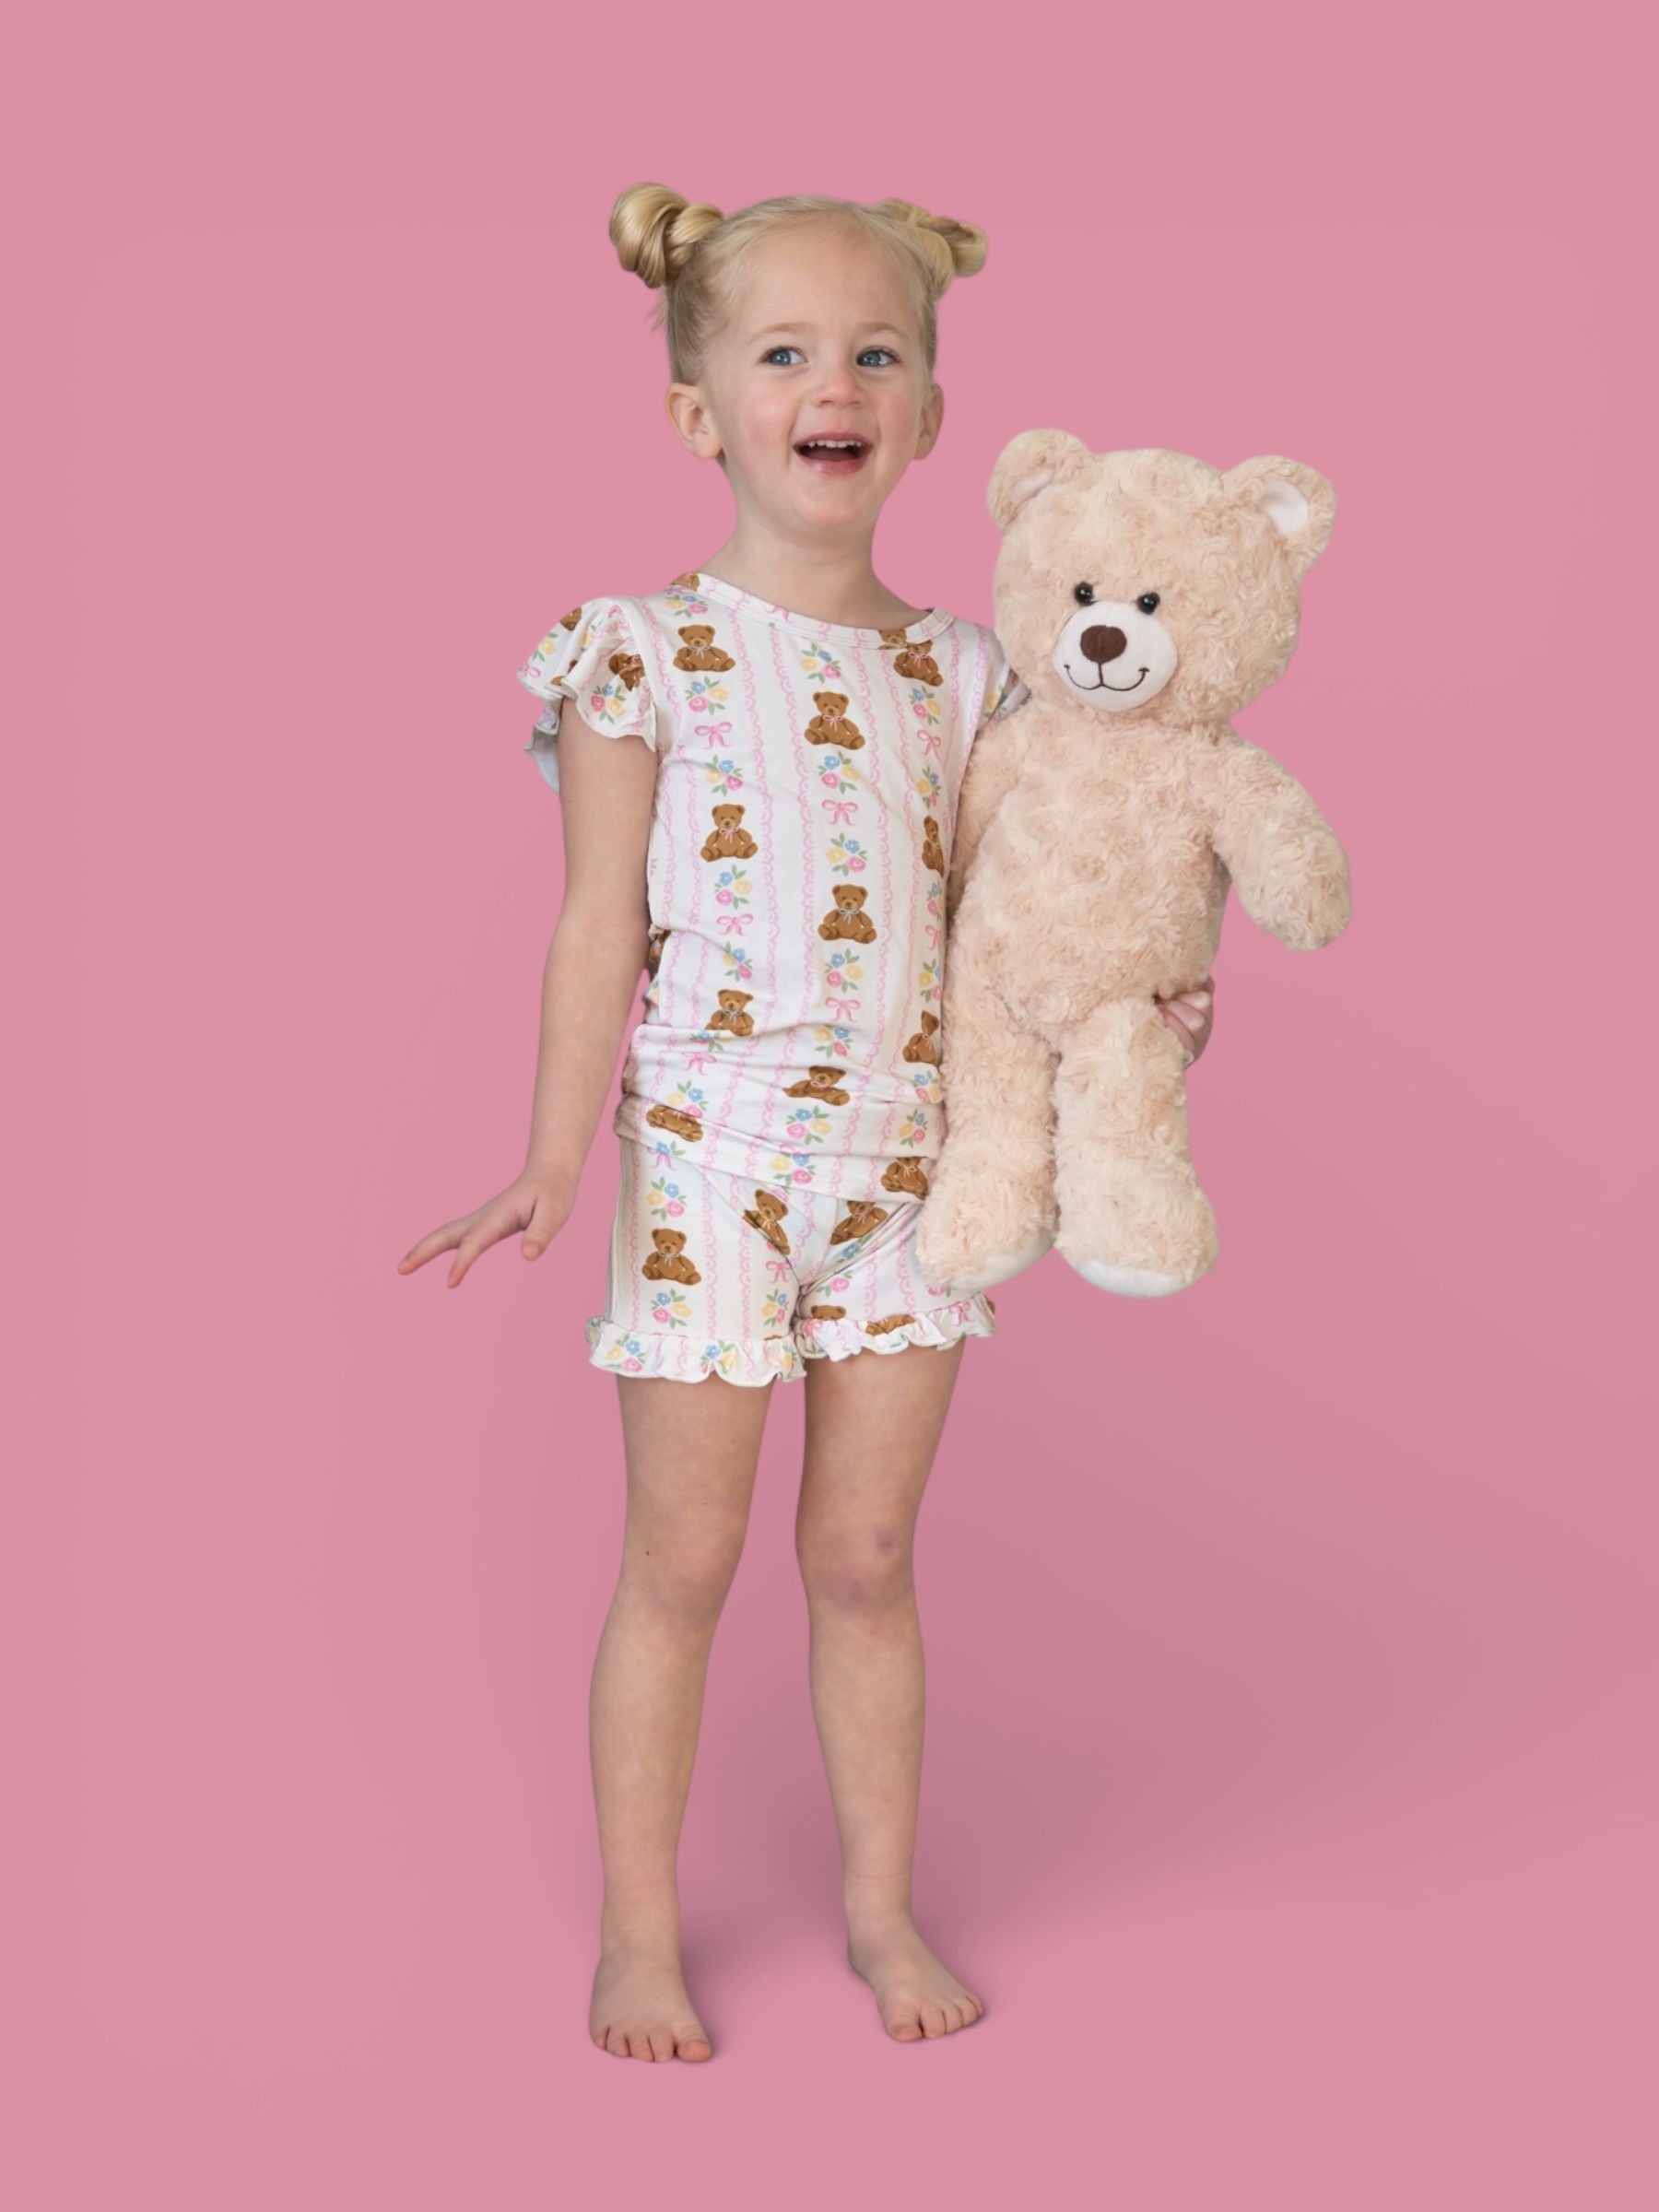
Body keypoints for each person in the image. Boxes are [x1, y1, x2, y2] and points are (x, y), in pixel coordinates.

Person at [399, 186, 1216, 2062]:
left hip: (909, 1172)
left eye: (875, 353)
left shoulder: (972, 673)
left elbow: (1029, 915)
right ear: (701, 412)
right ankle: (638, 1937)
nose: (832, 385)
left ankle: (877, 1910)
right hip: (712, 1165)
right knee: (680, 1567)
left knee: (865, 1564)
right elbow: (595, 925)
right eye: (784, 354)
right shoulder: (641, 651)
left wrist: (1148, 1009)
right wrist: (550, 1158)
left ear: (928, 413)